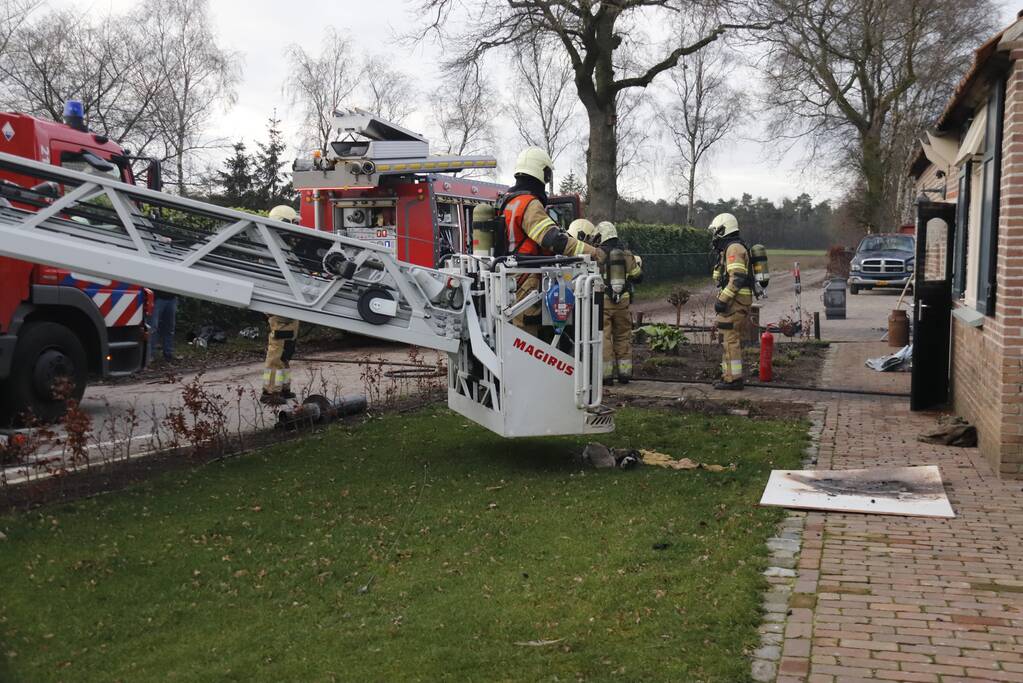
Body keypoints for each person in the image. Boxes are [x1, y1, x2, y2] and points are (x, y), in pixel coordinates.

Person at [500, 147, 604, 336]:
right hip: (525, 283)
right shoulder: (529, 204)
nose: (546, 182)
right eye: (547, 176)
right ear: (539, 171)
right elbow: (553, 239)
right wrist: (593, 252)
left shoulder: (507, 201)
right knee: (527, 340)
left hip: (510, 279)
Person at [261, 205, 301, 405]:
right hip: (281, 307)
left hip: (288, 307)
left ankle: (283, 388)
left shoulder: (281, 248)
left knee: (286, 351)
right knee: (277, 351)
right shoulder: (274, 250)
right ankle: (270, 392)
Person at [594, 221, 642, 384]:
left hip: (603, 302)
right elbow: (638, 276)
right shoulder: (627, 255)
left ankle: (606, 376)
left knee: (605, 337)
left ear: (602, 236)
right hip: (623, 302)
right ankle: (625, 374)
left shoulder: (598, 254)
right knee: (623, 336)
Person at [709, 212, 753, 391]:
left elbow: (737, 278)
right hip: (737, 302)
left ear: (723, 229)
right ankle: (728, 377)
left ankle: (734, 379)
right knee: (728, 340)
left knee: (731, 340)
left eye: (716, 231)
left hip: (735, 303)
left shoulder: (733, 248)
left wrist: (722, 299)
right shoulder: (732, 247)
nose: (714, 235)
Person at [149, 290, 178, 362]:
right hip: (157, 298)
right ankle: (150, 354)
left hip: (172, 298)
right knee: (153, 328)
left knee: (169, 327)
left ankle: (168, 354)